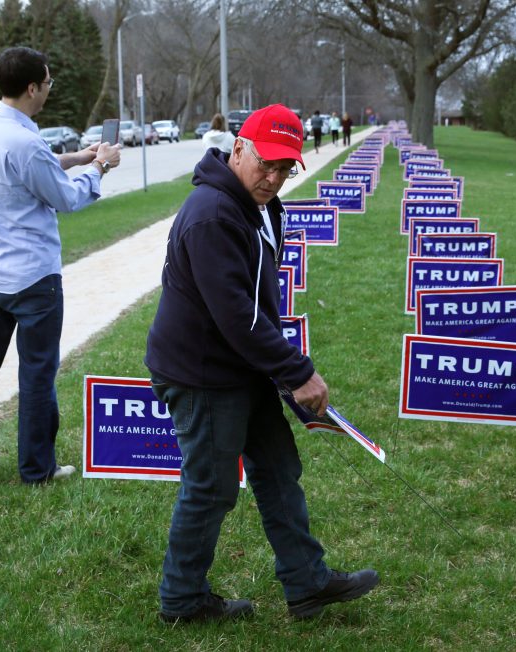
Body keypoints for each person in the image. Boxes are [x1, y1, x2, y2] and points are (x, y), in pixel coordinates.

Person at [145, 104, 379, 623]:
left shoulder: (256, 205)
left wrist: (278, 369)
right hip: (201, 370)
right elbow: (236, 314)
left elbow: (255, 304)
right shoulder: (211, 214)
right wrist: (296, 371)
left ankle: (307, 584)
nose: (272, 177)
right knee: (211, 485)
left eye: (284, 168)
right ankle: (181, 600)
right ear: (238, 149)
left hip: (241, 366)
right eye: (265, 163)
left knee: (277, 469)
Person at [0, 46, 121, 488]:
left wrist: (77, 157)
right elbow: (68, 198)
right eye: (49, 83)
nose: (49, 90)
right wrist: (99, 167)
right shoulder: (24, 141)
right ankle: (37, 469)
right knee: (37, 373)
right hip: (32, 280)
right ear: (33, 87)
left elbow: (33, 166)